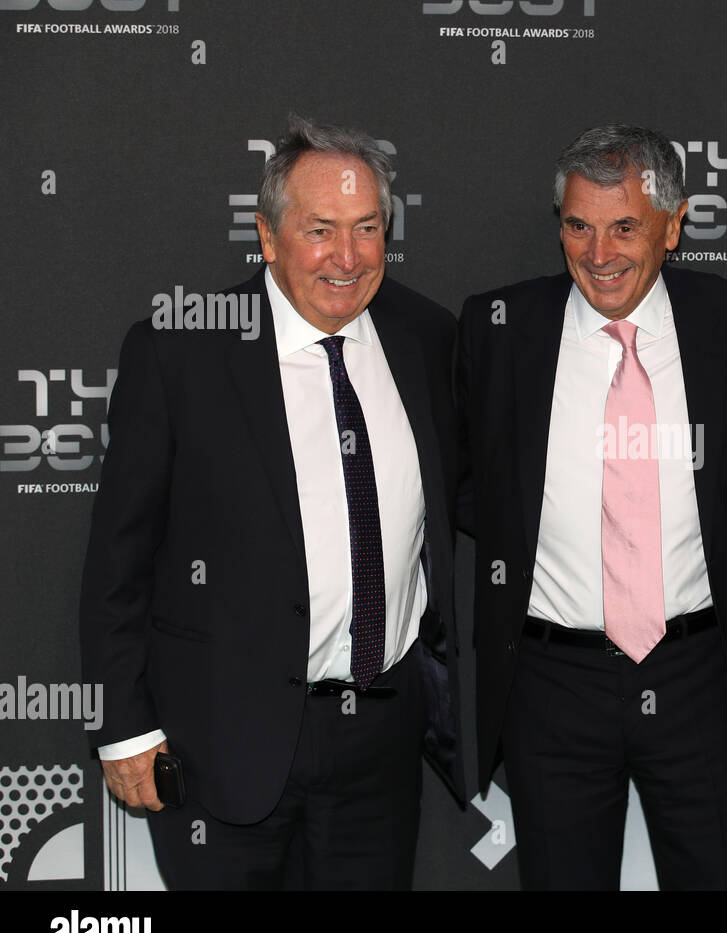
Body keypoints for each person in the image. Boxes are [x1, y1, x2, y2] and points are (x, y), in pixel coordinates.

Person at [80, 116, 463, 889]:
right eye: (320, 230)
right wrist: (122, 728)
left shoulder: (429, 338)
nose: (347, 258)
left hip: (380, 743)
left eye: (366, 229)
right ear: (266, 235)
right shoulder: (179, 350)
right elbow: (118, 558)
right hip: (219, 741)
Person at [458, 124, 727, 889]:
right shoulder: (499, 330)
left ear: (675, 225)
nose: (598, 253)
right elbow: (460, 478)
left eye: (625, 227)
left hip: (703, 677)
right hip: (552, 685)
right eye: (578, 225)